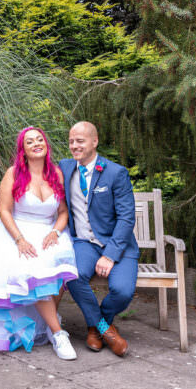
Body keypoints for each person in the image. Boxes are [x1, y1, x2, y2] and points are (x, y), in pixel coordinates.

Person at [0, 126, 79, 359]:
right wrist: (19, 240)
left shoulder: (56, 173)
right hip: (17, 232)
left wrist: (56, 233)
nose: (36, 143)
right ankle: (59, 333)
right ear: (23, 150)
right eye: (30, 142)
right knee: (31, 270)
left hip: (49, 233)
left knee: (58, 265)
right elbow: (5, 211)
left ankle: (48, 325)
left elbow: (62, 212)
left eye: (40, 139)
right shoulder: (14, 173)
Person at [59, 121, 139, 356]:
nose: (75, 146)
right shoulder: (64, 168)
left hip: (118, 245)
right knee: (73, 275)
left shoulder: (115, 173)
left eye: (80, 141)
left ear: (94, 142)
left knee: (122, 291)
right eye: (71, 141)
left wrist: (110, 255)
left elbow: (126, 218)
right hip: (84, 243)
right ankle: (106, 330)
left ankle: (96, 325)